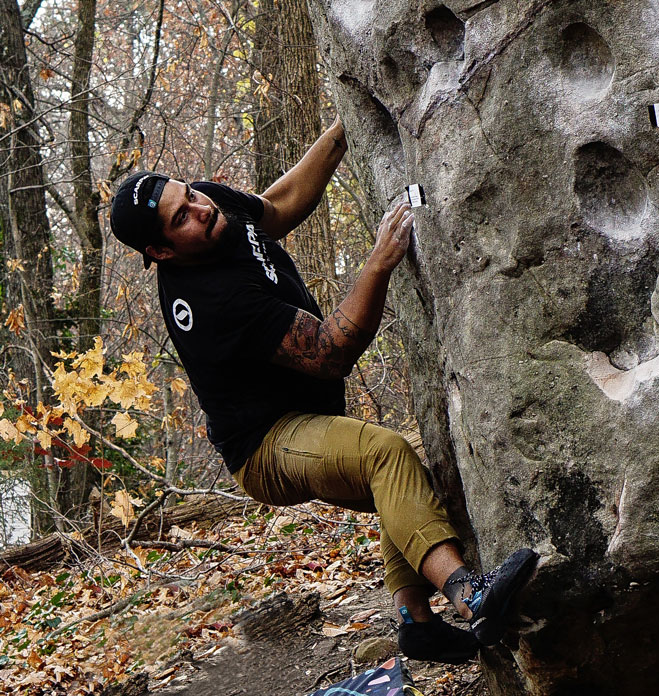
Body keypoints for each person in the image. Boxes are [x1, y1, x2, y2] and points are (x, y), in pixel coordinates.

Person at [108, 116, 537, 662]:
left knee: (409, 488)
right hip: (266, 445)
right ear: (162, 251)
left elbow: (278, 206)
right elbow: (329, 352)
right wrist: (378, 264)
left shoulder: (208, 206)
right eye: (181, 217)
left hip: (299, 418)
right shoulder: (211, 303)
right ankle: (471, 598)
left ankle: (416, 622)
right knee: (387, 455)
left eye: (188, 193)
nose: (200, 207)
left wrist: (344, 128)